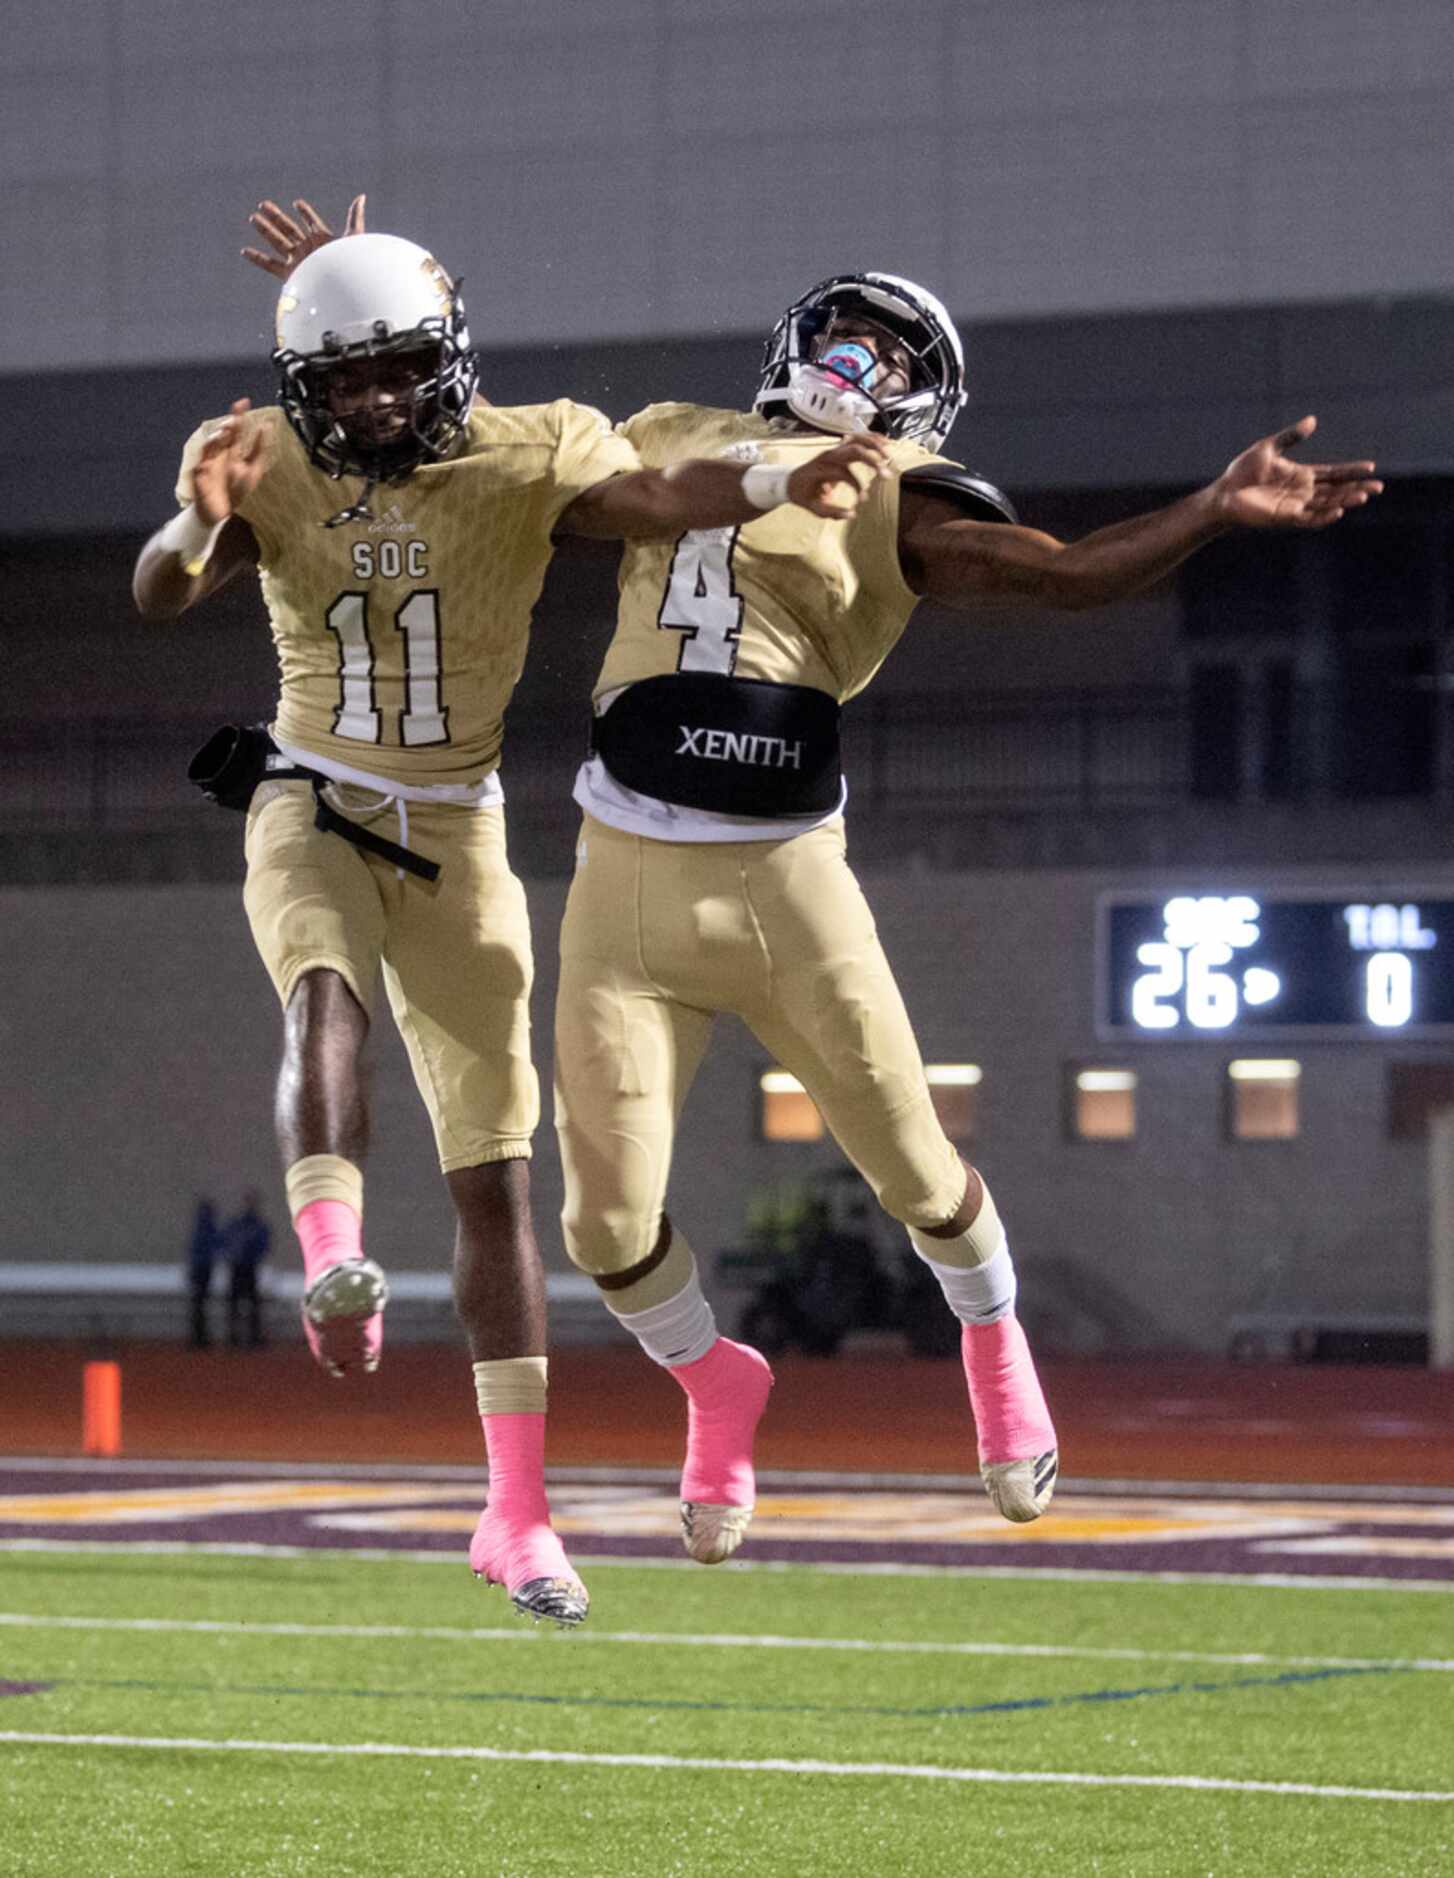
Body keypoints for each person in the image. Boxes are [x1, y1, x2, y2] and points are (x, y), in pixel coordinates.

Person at [551, 272, 1382, 1565]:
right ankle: (716, 1382)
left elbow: (1061, 576)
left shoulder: (900, 493)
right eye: (847, 335)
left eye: (892, 355)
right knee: (601, 1225)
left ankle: (994, 1348)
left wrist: (1209, 510)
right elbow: (528, 500)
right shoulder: (668, 427)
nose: (859, 361)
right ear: (793, 339)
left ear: (920, 400)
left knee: (913, 1168)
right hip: (618, 877)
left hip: (782, 882)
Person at [134, 220, 887, 1626]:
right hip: (312, 790)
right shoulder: (267, 458)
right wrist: (194, 516)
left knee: (495, 1179)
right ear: (301, 386)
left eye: (395, 371)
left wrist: (779, 467)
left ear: (450, 355)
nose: (366, 404)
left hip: (459, 829)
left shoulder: (534, 449)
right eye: (341, 382)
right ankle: (332, 1260)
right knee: (320, 986)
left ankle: (516, 1512)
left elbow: (665, 490)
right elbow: (161, 590)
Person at [222, 1190, 272, 1348]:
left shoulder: (257, 1225)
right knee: (234, 1303)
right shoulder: (237, 1224)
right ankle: (234, 1336)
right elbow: (225, 1241)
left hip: (250, 1267)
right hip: (237, 1267)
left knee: (253, 1303)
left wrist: (253, 1256)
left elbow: (264, 1244)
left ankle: (253, 1336)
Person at [184, 1197, 221, 1349]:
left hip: (201, 1269)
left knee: (199, 1305)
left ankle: (199, 1336)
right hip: (202, 1269)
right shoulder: (207, 1229)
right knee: (199, 1305)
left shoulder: (202, 1229)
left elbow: (195, 1251)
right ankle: (199, 1336)